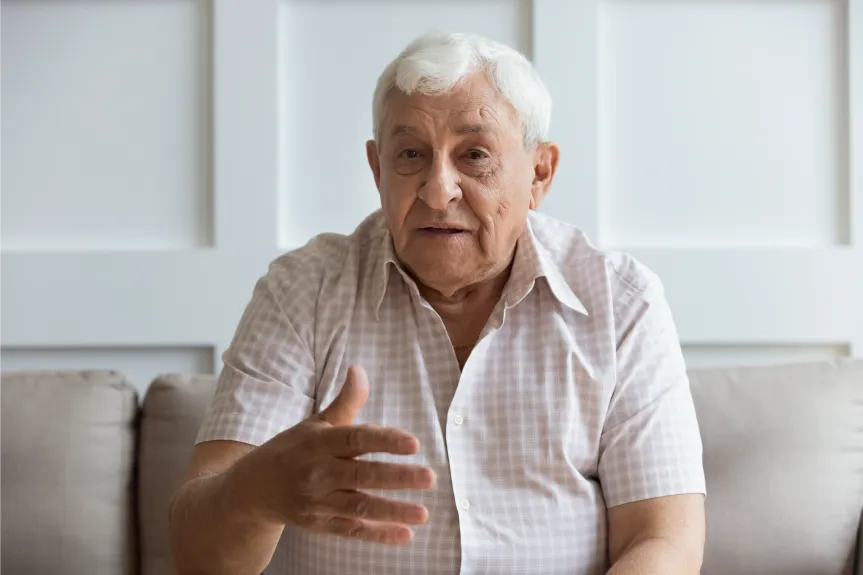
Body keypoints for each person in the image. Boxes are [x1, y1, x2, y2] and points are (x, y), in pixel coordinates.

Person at [168, 31, 706, 575]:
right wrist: (257, 491)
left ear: (539, 173)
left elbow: (664, 542)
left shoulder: (621, 302)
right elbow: (197, 556)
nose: (437, 189)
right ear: (378, 169)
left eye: (474, 155)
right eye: (411, 155)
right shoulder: (303, 291)